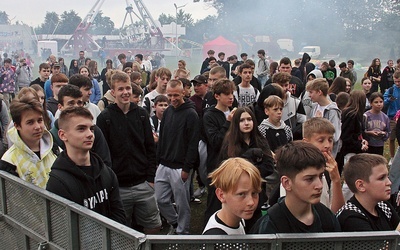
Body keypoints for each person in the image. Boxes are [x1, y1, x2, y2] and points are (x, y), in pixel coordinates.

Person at [97, 71, 161, 234]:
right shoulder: (105, 117)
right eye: (120, 89)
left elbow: (149, 148)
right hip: (118, 186)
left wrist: (150, 178)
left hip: (143, 183)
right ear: (113, 92)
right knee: (121, 230)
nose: (125, 92)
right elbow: (102, 154)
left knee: (153, 225)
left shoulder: (141, 115)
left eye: (127, 88)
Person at [46, 107, 126, 225]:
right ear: (63, 135)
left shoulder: (106, 173)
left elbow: (119, 217)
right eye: (81, 129)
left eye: (91, 129)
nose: (90, 134)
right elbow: (63, 229)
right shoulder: (58, 182)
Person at [252, 141, 341, 233]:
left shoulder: (326, 217)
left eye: (320, 176)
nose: (319, 185)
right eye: (309, 179)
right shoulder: (270, 225)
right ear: (287, 183)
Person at [218, 107, 274, 232]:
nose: (246, 123)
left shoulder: (260, 140)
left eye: (249, 119)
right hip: (237, 193)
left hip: (257, 193)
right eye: (242, 120)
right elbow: (229, 167)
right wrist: (250, 155)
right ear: (236, 123)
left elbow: (269, 166)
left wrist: (246, 172)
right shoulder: (230, 142)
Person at [155, 79, 199, 235]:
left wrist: (187, 168)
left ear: (183, 93)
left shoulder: (191, 114)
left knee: (182, 204)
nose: (172, 99)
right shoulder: (168, 112)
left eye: (176, 95)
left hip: (180, 167)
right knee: (160, 200)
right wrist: (158, 160)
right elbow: (163, 137)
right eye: (170, 95)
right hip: (164, 164)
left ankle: (183, 233)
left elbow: (193, 144)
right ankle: (175, 223)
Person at [0, 97, 57, 188]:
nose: (37, 127)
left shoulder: (54, 149)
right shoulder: (9, 161)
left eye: (39, 120)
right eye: (30, 122)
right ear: (17, 126)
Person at [50, 84, 111, 167]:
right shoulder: (51, 137)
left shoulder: (93, 130)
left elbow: (105, 162)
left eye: (79, 103)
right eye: (71, 103)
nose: (76, 107)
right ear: (60, 107)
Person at [203, 79, 237, 224]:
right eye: (227, 94)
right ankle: (209, 235)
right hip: (217, 165)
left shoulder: (235, 110)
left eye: (232, 94)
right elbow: (216, 141)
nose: (231, 97)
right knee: (215, 202)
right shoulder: (209, 115)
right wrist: (228, 122)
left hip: (234, 163)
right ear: (217, 96)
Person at [336, 154, 400, 231]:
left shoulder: (383, 206)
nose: (389, 182)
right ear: (361, 185)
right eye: (381, 178)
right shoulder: (350, 218)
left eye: (387, 177)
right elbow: (376, 243)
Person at [203, 158, 263, 235]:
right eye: (241, 194)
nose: (251, 202)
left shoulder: (238, 218)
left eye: (254, 193)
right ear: (221, 195)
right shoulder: (216, 238)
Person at [302, 117, 345, 213]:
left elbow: (337, 211)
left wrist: (336, 180)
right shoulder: (298, 171)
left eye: (330, 140)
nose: (327, 145)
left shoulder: (327, 171)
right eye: (321, 140)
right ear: (306, 142)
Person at [306, 78, 341, 157]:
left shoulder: (332, 111)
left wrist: (320, 122)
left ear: (319, 92)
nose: (309, 95)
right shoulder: (314, 107)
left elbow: (335, 136)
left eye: (311, 92)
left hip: (327, 154)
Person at [338, 90, 368, 173]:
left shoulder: (358, 115)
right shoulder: (351, 115)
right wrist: (359, 145)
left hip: (354, 148)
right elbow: (346, 136)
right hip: (349, 151)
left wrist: (363, 140)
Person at [383, 71, 400, 165]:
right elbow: (383, 102)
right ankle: (392, 157)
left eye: (399, 81)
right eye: (396, 81)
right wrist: (389, 100)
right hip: (392, 118)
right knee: (392, 138)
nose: (397, 84)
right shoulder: (391, 90)